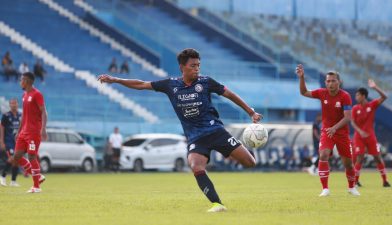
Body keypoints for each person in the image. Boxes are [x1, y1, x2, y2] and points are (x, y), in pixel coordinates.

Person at [98, 48, 262, 212]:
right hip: (196, 138)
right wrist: (115, 79)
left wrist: (250, 112)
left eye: (198, 65)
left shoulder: (206, 82)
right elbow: (141, 84)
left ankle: (240, 151)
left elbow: (229, 94)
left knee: (249, 163)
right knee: (195, 166)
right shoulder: (171, 85)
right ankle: (217, 204)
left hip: (216, 131)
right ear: (182, 67)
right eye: (193, 66)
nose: (197, 69)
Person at [295, 64, 360, 197]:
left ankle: (352, 188)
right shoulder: (321, 93)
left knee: (348, 163)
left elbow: (348, 117)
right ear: (325, 82)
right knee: (323, 155)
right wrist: (302, 78)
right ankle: (325, 189)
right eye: (328, 81)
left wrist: (335, 128)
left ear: (339, 82)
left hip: (341, 133)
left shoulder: (345, 96)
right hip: (327, 131)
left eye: (333, 81)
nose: (330, 83)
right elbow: (303, 92)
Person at [351, 79, 391, 188]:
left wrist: (375, 87)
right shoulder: (355, 108)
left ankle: (385, 181)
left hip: (370, 136)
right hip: (359, 137)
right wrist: (360, 131)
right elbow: (352, 122)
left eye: (358, 95)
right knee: (360, 157)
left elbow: (384, 97)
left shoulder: (372, 105)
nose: (356, 97)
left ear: (363, 96)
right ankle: (355, 182)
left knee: (377, 157)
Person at [12, 72, 47, 193]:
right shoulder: (24, 95)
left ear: (27, 81)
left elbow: (44, 112)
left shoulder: (37, 94)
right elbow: (23, 116)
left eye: (21, 80)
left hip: (33, 132)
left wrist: (43, 128)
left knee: (32, 156)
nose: (20, 82)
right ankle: (38, 176)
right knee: (16, 157)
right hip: (24, 132)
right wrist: (19, 130)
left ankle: (36, 187)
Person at [0, 98, 22, 187]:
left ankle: (13, 181)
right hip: (8, 141)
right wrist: (1, 141)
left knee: (16, 160)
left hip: (18, 141)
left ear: (18, 104)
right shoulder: (6, 115)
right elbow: (2, 128)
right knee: (12, 158)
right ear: (9, 105)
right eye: (12, 103)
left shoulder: (21, 115)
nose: (14, 105)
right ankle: (2, 176)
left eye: (15, 103)